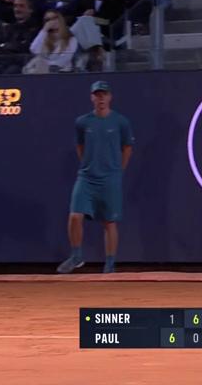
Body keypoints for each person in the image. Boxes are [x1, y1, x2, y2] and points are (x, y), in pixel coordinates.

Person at [57, 80, 134, 274]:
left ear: (110, 97)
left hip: (110, 178)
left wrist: (118, 170)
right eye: (97, 95)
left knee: (109, 222)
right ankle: (76, 256)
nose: (101, 98)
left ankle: (110, 264)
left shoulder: (121, 122)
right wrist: (88, 164)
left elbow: (127, 147)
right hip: (86, 177)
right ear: (92, 98)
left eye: (104, 95)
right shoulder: (82, 122)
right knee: (75, 216)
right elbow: (80, 146)